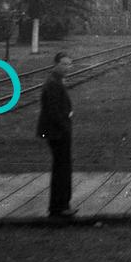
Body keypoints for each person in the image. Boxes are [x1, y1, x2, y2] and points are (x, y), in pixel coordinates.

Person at [37, 51, 76, 218]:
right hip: (57, 132)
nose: (68, 68)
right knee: (62, 169)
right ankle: (59, 207)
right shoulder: (53, 83)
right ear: (56, 65)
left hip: (56, 130)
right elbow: (54, 111)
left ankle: (60, 205)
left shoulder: (55, 80)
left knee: (62, 167)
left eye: (70, 64)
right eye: (64, 64)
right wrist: (65, 124)